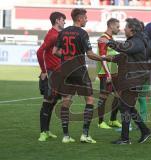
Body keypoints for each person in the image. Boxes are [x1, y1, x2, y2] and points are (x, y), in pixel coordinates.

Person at [100, 18, 151, 144]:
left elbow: (125, 48)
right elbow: (125, 55)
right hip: (133, 77)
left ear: (132, 29)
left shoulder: (137, 41)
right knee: (128, 106)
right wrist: (108, 58)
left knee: (124, 106)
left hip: (134, 78)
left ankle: (125, 138)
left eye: (126, 27)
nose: (124, 29)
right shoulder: (139, 40)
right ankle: (145, 131)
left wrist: (109, 42)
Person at [52, 8, 104, 143]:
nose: (87, 20)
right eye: (85, 18)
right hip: (79, 71)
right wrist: (105, 59)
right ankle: (85, 135)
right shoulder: (82, 33)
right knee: (90, 100)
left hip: (65, 71)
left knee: (66, 101)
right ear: (80, 19)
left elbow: (55, 51)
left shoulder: (63, 32)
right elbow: (90, 54)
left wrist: (66, 57)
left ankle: (66, 136)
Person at [37, 11, 66, 142]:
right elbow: (39, 51)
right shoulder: (52, 35)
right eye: (63, 20)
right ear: (57, 21)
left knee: (52, 102)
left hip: (59, 74)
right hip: (52, 73)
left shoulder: (58, 35)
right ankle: (43, 132)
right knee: (47, 102)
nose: (64, 22)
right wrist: (44, 71)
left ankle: (47, 131)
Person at [96, 18, 122, 129]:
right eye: (117, 26)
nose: (119, 29)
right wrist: (107, 74)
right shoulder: (103, 38)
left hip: (114, 73)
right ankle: (100, 122)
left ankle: (113, 119)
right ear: (111, 26)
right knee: (103, 97)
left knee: (118, 95)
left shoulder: (110, 39)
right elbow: (102, 57)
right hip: (106, 74)